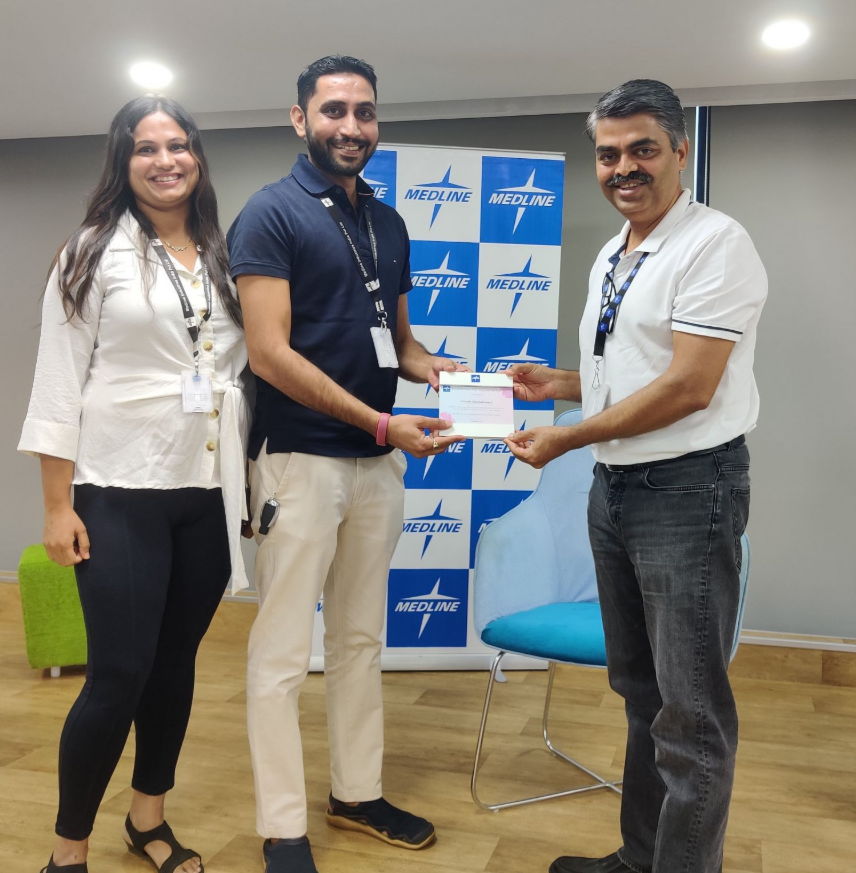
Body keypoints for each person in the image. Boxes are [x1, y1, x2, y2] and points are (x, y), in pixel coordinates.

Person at [504, 80, 767, 873]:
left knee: (691, 715)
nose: (624, 168)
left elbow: (690, 387)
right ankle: (640, 856)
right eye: (608, 153)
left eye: (643, 149)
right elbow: (636, 370)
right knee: (642, 693)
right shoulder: (615, 251)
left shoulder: (715, 244)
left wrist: (567, 436)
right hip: (615, 489)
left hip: (688, 491)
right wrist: (560, 384)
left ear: (680, 151)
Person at [227, 55, 465, 873]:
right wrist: (381, 421)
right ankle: (283, 827)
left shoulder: (389, 223)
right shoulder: (270, 213)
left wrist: (444, 375)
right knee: (281, 651)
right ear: (301, 119)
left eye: (364, 111)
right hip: (300, 461)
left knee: (360, 639)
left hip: (376, 463)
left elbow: (400, 341)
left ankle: (356, 794)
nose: (351, 125)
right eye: (333, 110)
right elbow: (269, 353)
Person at [19, 96, 251, 873]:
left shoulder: (222, 254)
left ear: (197, 157)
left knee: (174, 665)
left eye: (177, 144)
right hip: (118, 489)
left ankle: (147, 819)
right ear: (123, 162)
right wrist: (57, 505)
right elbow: (58, 384)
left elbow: (242, 369)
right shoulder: (89, 252)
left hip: (206, 491)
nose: (165, 160)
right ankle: (67, 852)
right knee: (118, 674)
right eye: (145, 148)